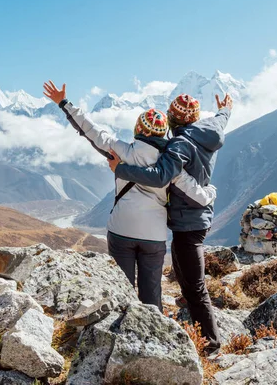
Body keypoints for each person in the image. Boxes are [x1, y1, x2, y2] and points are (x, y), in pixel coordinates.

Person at [42, 81, 217, 312]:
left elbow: (91, 131)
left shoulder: (120, 150)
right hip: (154, 235)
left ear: (138, 129)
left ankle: (119, 330)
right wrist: (210, 193)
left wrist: (64, 103)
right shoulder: (170, 162)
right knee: (151, 293)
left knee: (121, 288)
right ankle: (153, 335)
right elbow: (195, 192)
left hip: (121, 230)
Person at [108, 92, 233, 353]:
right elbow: (221, 119)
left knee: (196, 285)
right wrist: (225, 109)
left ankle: (211, 343)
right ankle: (191, 314)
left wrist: (121, 169)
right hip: (192, 220)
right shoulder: (209, 129)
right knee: (185, 275)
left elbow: (161, 175)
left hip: (189, 220)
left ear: (173, 120)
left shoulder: (180, 146)